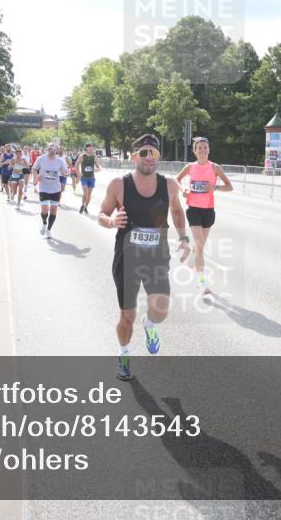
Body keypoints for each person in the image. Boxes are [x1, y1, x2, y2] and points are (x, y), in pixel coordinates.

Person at [98, 134, 190, 381]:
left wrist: (183, 238)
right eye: (144, 153)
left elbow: (178, 211)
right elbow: (102, 213)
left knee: (160, 309)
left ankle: (150, 327)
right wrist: (110, 221)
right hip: (127, 258)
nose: (149, 158)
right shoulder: (119, 184)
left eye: (154, 153)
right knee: (127, 316)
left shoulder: (169, 185)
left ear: (159, 157)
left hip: (157, 257)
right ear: (134, 156)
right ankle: (124, 354)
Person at [175, 137, 233, 294]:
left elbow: (230, 187)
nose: (202, 150)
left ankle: (193, 258)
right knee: (200, 245)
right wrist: (183, 190)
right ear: (194, 151)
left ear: (209, 149)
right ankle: (202, 282)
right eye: (199, 147)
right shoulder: (189, 167)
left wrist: (215, 187)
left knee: (199, 247)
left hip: (208, 211)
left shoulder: (215, 168)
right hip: (193, 209)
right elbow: (177, 180)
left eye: (205, 147)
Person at [33, 144, 70, 238]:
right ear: (47, 149)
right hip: (43, 187)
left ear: (56, 150)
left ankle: (49, 230)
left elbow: (65, 171)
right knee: (44, 210)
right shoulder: (41, 158)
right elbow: (34, 169)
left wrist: (66, 173)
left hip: (55, 188)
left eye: (53, 148)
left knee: (53, 210)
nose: (51, 149)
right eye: (49, 148)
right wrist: (36, 178)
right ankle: (44, 223)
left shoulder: (60, 160)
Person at [76, 142, 101, 214]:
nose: (91, 148)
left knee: (89, 195)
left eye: (92, 147)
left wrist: (97, 168)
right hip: (84, 177)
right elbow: (77, 164)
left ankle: (85, 207)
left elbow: (97, 165)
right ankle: (82, 204)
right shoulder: (82, 156)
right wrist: (78, 173)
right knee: (85, 193)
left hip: (91, 178)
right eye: (89, 147)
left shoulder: (94, 156)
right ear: (86, 148)